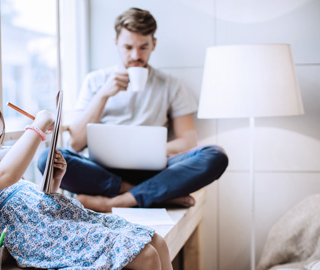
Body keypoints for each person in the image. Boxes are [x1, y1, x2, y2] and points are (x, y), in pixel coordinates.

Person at [0, 97, 173, 270]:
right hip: (44, 237)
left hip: (62, 220)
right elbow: (6, 176)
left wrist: (53, 182)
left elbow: (33, 202)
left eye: (0, 136)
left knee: (157, 242)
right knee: (146, 256)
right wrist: (37, 126)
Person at [38, 7, 229, 212]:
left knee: (215, 155)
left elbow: (188, 141)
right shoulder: (96, 82)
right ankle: (147, 195)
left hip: (154, 170)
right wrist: (103, 95)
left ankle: (115, 202)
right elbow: (76, 143)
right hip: (102, 171)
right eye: (128, 47)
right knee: (47, 159)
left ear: (153, 44)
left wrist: (149, 152)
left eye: (143, 47)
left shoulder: (171, 85)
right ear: (116, 43)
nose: (136, 55)